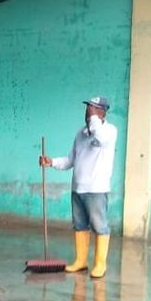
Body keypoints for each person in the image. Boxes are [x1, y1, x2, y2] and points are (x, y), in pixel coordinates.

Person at [39, 96, 117, 278]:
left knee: (100, 226)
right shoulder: (80, 134)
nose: (88, 112)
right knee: (80, 225)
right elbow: (70, 160)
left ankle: (100, 265)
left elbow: (101, 139)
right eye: (88, 108)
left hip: (96, 189)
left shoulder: (109, 131)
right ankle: (81, 261)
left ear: (103, 112)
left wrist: (94, 119)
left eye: (93, 108)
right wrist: (52, 162)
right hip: (77, 188)